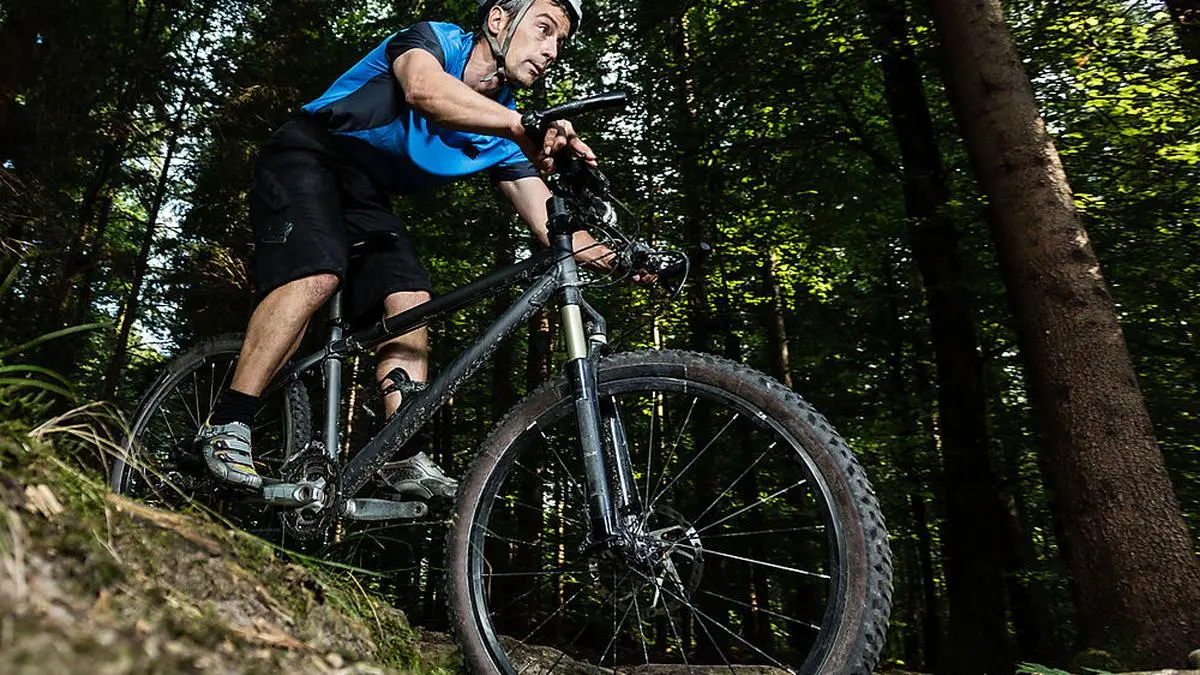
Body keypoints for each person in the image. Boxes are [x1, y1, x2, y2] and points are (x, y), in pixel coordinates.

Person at [195, 0, 616, 501]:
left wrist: (626, 262)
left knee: (410, 298)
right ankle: (228, 422)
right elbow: (422, 90)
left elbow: (551, 224)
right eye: (543, 29)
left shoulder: (503, 131)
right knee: (318, 273)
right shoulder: (437, 41)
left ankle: (398, 452)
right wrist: (520, 124)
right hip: (307, 154)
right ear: (499, 20)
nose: (550, 50)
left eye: (559, 43)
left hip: (366, 192)